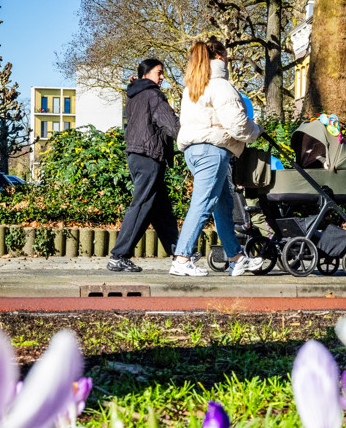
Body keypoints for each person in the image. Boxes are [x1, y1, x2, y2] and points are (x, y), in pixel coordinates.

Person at [171, 37, 263, 277]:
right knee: (202, 204)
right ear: (221, 58)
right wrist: (257, 131)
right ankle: (182, 259)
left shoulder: (193, 85)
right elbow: (237, 125)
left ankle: (236, 258)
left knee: (223, 205)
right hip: (212, 151)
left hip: (195, 150)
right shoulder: (221, 85)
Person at [107, 58, 180, 272]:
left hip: (136, 155)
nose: (162, 76)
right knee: (141, 205)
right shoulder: (153, 94)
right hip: (149, 156)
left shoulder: (134, 95)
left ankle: (180, 253)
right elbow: (170, 125)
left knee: (161, 209)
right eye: (159, 72)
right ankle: (119, 256)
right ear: (146, 74)